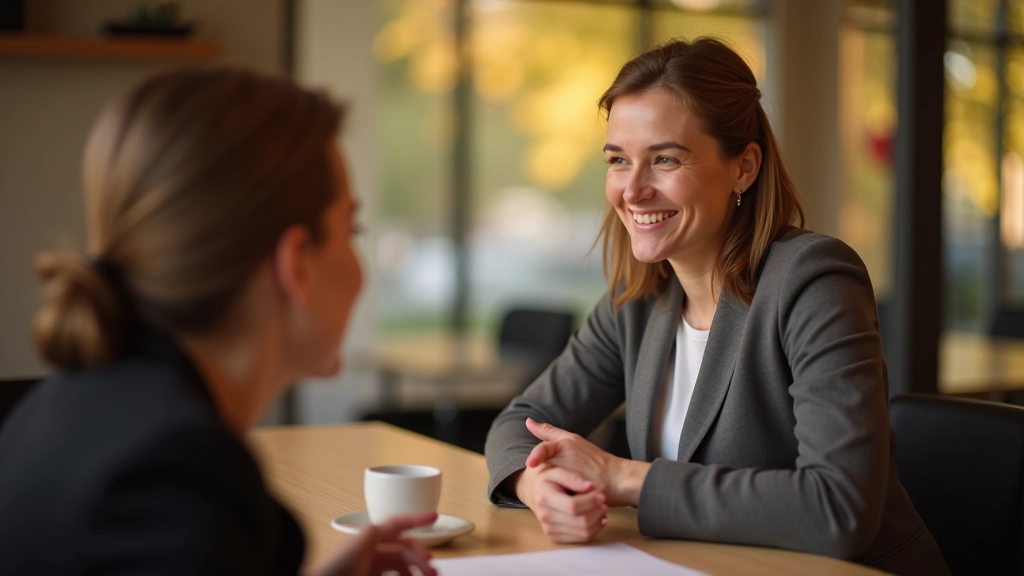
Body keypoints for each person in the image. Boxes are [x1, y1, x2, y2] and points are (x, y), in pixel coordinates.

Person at [484, 38, 949, 575]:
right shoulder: (636, 302)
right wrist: (538, 484)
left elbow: (838, 507)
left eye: (664, 159)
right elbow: (521, 423)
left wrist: (624, 479)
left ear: (744, 167)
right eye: (618, 160)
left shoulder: (814, 279)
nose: (633, 191)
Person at [0, 68, 436, 576]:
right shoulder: (172, 478)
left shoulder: (68, 406)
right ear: (296, 262)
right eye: (351, 229)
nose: (362, 271)